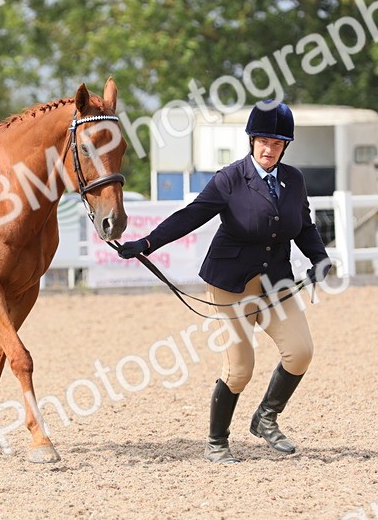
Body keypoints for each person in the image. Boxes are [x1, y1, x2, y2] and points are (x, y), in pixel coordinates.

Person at [117, 102, 331, 463]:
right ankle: (217, 441)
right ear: (251, 140)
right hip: (230, 283)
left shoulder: (293, 179)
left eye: (276, 143)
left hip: (274, 282)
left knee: (300, 352)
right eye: (262, 140)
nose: (268, 149)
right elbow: (191, 215)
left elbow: (304, 225)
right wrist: (147, 243)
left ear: (285, 146)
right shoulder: (231, 178)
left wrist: (319, 258)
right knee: (239, 368)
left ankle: (265, 417)